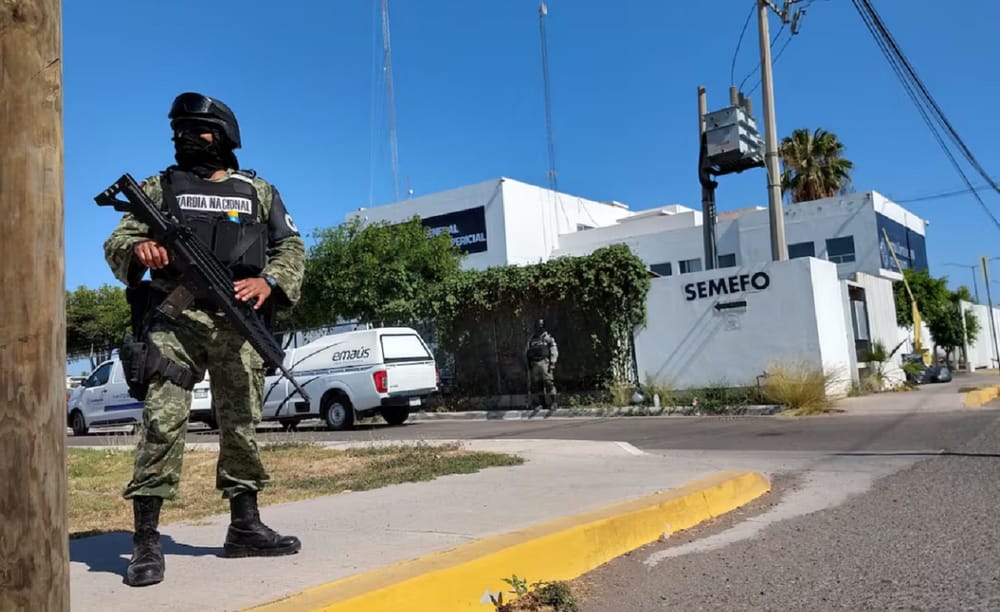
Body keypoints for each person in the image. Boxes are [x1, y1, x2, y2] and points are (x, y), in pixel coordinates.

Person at [103, 92, 307, 587]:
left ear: (226, 135)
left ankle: (244, 527)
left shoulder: (257, 191)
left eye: (198, 130)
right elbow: (117, 243)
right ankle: (147, 541)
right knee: (163, 422)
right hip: (176, 322)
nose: (186, 139)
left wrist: (270, 281)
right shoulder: (159, 186)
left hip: (239, 322)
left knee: (241, 423)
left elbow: (291, 245)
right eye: (178, 132)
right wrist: (140, 250)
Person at [525, 319, 558, 409]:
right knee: (537, 385)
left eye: (541, 326)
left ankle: (553, 402)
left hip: (545, 363)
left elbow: (553, 349)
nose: (539, 328)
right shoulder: (532, 339)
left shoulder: (548, 337)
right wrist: (528, 364)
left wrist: (553, 362)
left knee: (548, 382)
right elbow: (527, 352)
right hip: (534, 364)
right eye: (538, 326)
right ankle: (541, 403)